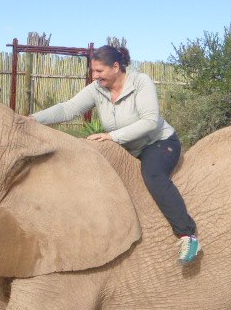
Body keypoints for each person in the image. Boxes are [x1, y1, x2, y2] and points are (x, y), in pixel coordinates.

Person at [31, 45, 200, 263]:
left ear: (116, 67)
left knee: (153, 175)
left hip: (158, 143)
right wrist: (33, 119)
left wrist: (112, 136)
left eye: (99, 71)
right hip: (126, 147)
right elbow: (68, 109)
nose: (95, 76)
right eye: (93, 71)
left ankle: (188, 235)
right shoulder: (97, 89)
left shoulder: (140, 82)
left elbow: (150, 121)